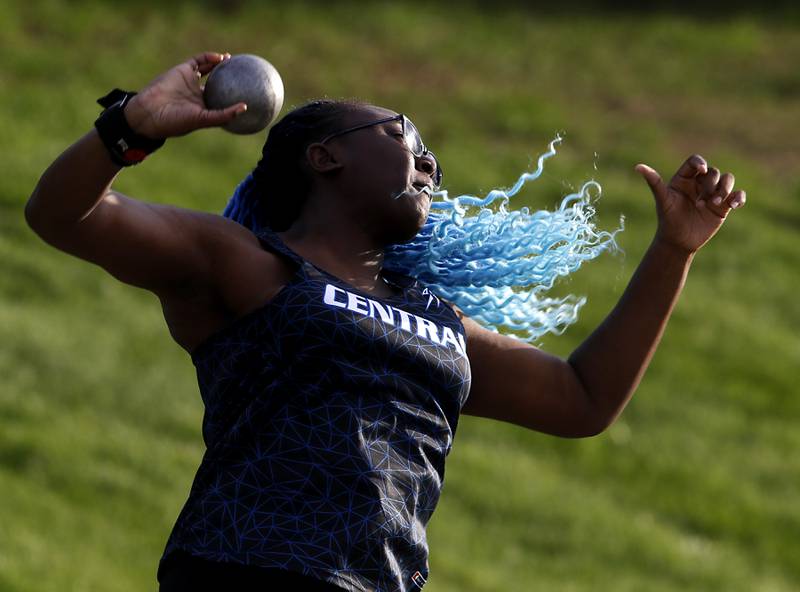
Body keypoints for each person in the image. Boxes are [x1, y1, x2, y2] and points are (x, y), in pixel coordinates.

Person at [25, 52, 746, 592]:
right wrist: (129, 128)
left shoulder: (433, 317)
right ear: (325, 156)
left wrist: (674, 250)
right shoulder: (247, 264)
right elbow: (65, 216)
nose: (429, 161)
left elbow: (583, 400)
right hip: (244, 568)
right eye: (403, 135)